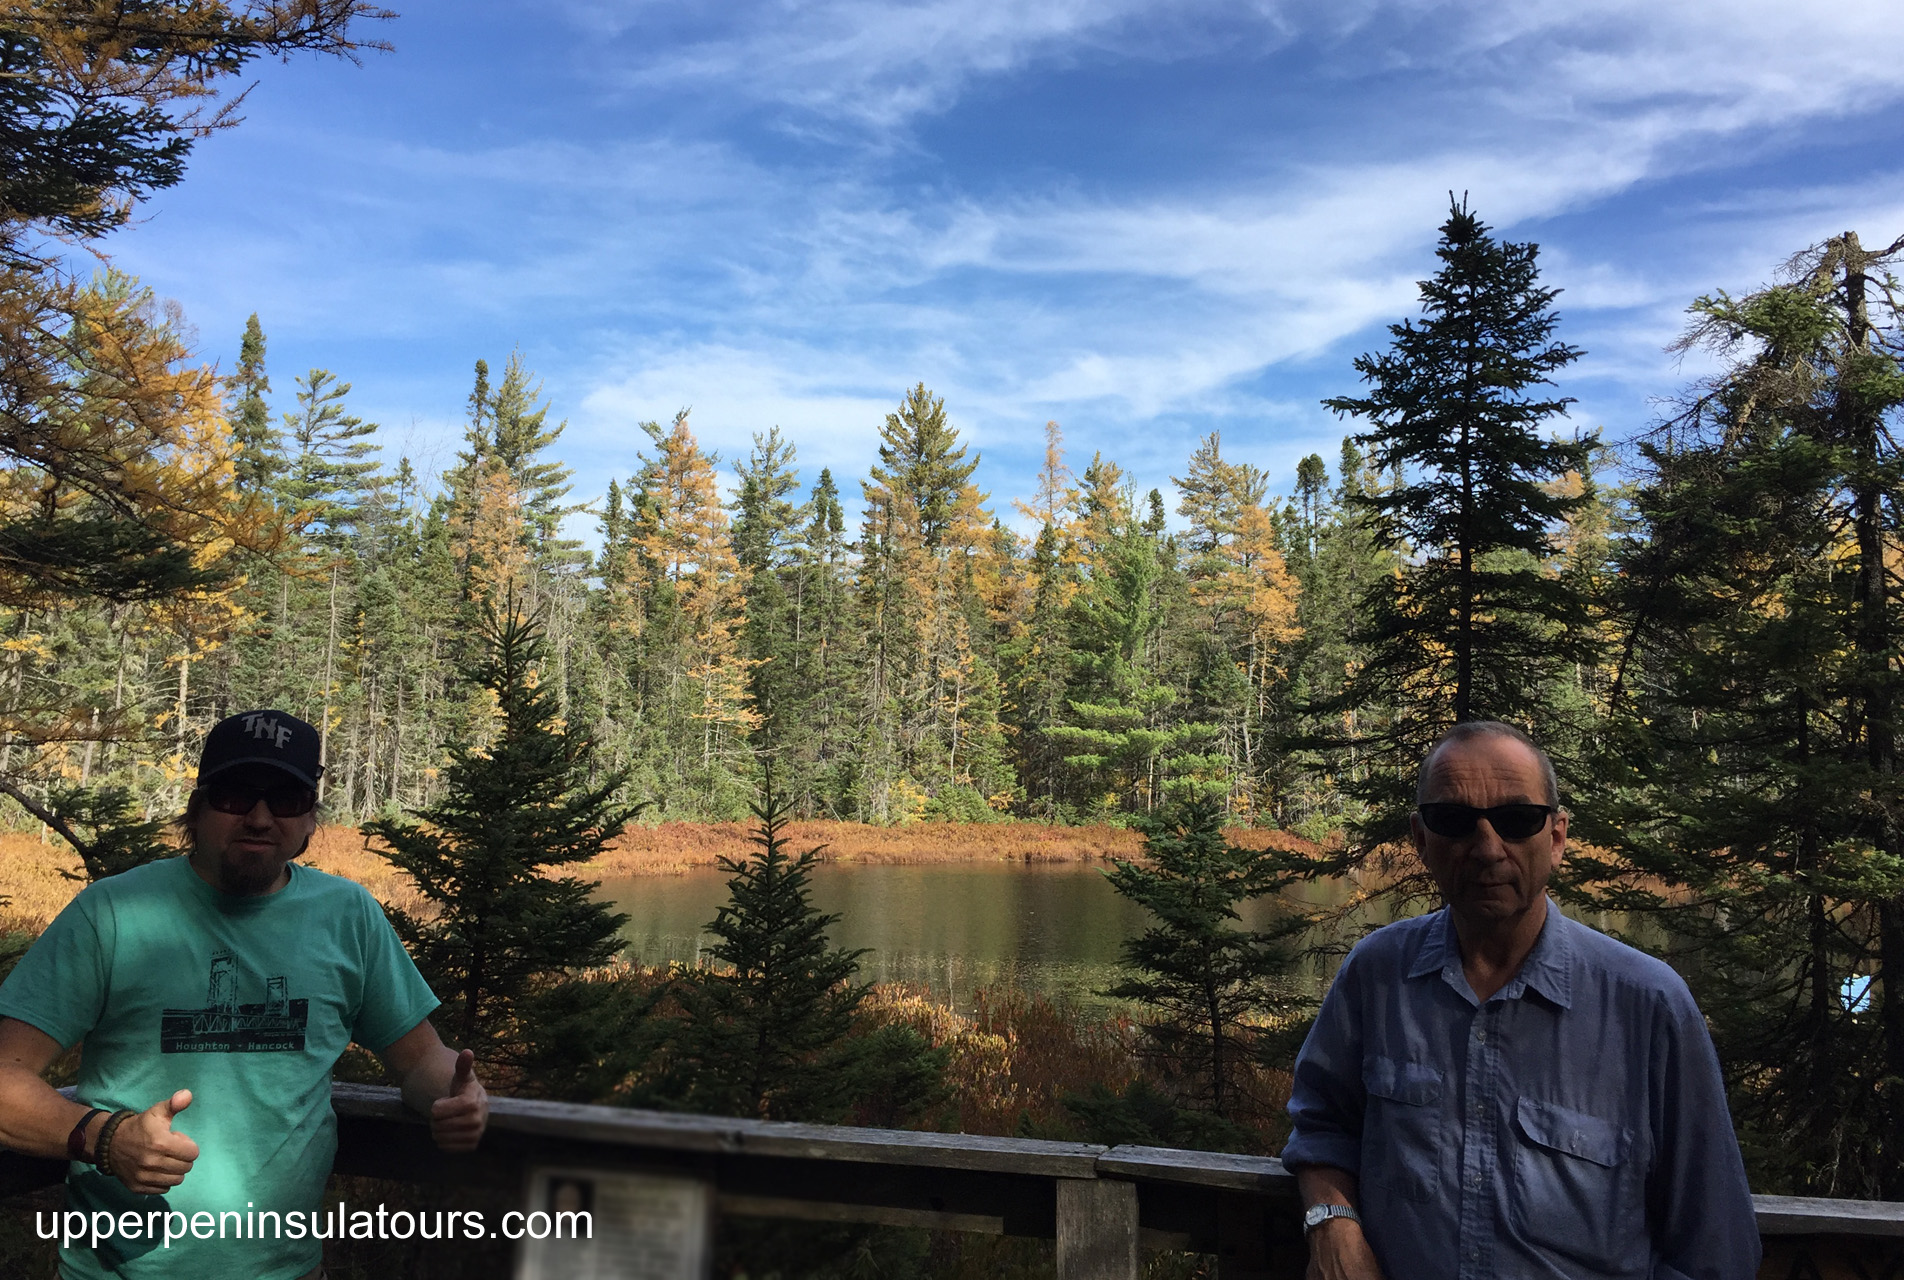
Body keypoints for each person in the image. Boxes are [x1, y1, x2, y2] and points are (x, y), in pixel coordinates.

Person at [0, 709, 489, 1280]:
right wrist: (102, 1138)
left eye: (284, 797)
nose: (259, 817)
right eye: (235, 795)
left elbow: (423, 1061)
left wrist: (455, 1097)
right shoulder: (111, 914)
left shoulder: (348, 916)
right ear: (199, 807)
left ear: (309, 817)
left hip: (289, 1270)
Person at [1281, 721, 1760, 1280]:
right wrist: (1332, 1221)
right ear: (1420, 839)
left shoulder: (1649, 1005)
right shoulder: (1376, 975)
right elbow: (1321, 1124)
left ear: (1556, 837)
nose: (1487, 848)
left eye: (1516, 820)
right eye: (1455, 822)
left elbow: (1715, 1248)